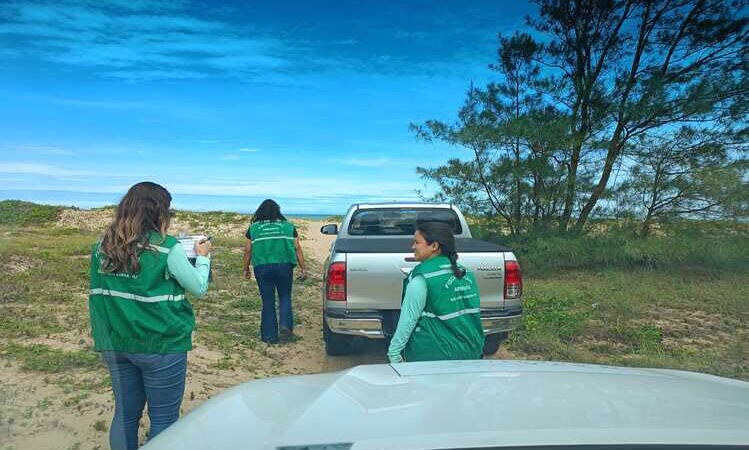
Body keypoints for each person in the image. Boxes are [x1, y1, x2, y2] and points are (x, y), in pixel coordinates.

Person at [89, 182, 211, 450]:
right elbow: (199, 287)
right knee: (164, 420)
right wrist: (202, 258)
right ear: (159, 212)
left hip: (115, 342)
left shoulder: (101, 247)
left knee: (124, 415)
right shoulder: (167, 247)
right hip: (161, 345)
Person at [387, 221, 484, 363]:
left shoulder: (422, 279)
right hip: (471, 351)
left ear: (434, 246)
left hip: (434, 357)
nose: (412, 247)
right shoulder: (466, 274)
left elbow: (408, 320)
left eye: (417, 242)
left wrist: (394, 352)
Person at [243, 199, 307, 343]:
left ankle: (269, 336)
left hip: (262, 266)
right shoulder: (288, 226)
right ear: (278, 211)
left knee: (268, 301)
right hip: (284, 265)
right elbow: (297, 247)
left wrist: (246, 268)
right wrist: (303, 268)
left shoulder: (253, 228)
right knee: (285, 296)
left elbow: (248, 250)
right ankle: (285, 325)